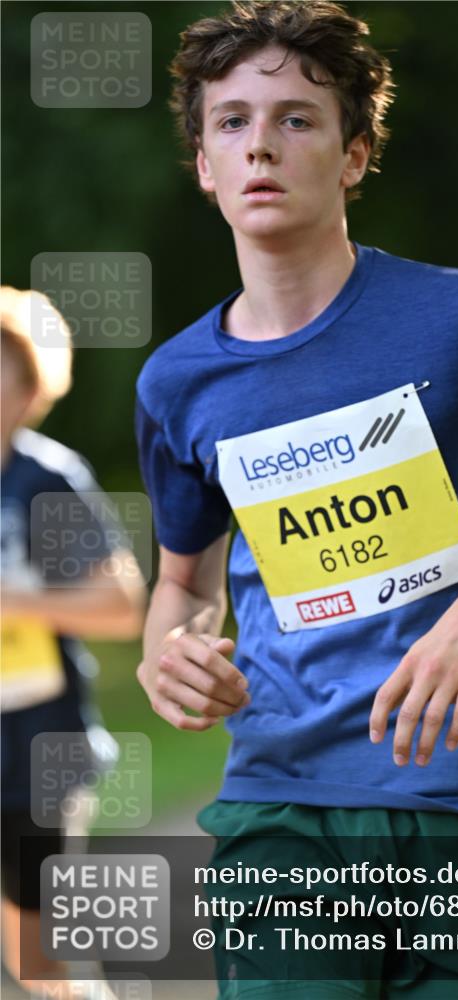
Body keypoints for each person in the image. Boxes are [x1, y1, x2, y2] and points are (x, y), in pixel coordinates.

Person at [134, 3, 458, 997]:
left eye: (296, 119)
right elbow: (182, 585)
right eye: (230, 122)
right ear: (203, 165)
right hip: (283, 805)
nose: (261, 144)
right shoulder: (177, 383)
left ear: (354, 156)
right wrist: (170, 657)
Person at [1, 287, 146, 999]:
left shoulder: (44, 483)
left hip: (37, 753)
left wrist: (14, 599)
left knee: (40, 964)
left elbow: (122, 607)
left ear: (32, 390)